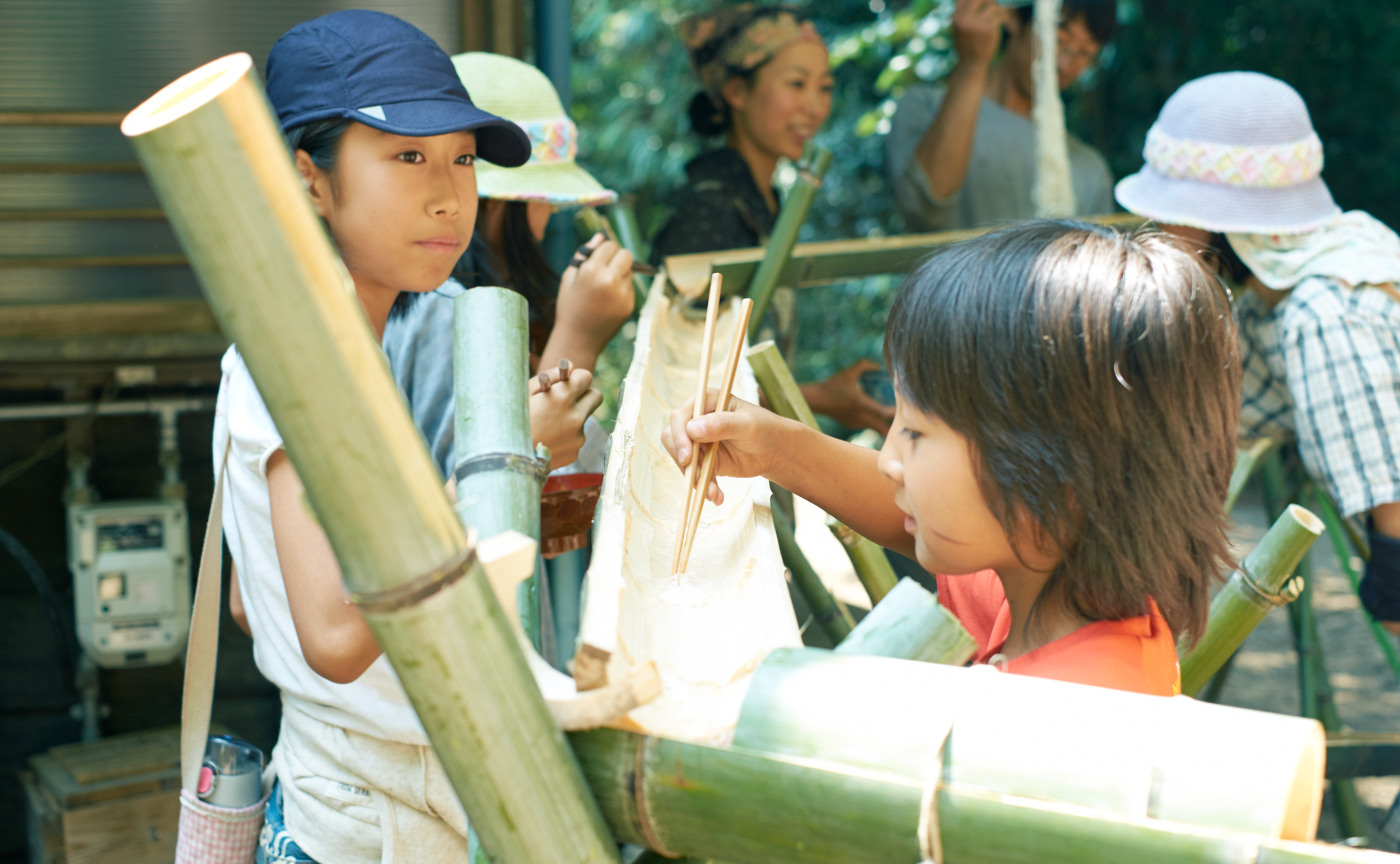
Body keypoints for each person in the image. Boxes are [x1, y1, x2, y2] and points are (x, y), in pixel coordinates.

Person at [215, 13, 598, 863]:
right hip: (365, 811)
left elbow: (253, 600)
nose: (448, 194)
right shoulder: (303, 362)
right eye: (406, 157)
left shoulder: (358, 340)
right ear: (311, 180)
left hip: (391, 788)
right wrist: (504, 463)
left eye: (462, 159)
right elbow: (337, 639)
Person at [664, 220, 1241, 694]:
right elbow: (913, 511)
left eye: (914, 432)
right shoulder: (1043, 575)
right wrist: (778, 447)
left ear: (1048, 475)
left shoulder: (1063, 713)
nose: (889, 459)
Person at [1114, 72, 1400, 641]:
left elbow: (1396, 519)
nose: (1160, 230)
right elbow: (1213, 411)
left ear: (1223, 225)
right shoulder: (1289, 289)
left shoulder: (1324, 313)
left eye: (1172, 215)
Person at [382, 51, 635, 480]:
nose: (550, 216)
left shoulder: (430, 302)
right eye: (544, 200)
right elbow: (532, 503)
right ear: (499, 203)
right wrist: (578, 336)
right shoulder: (447, 312)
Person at [652, 4, 895, 435]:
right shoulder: (708, 210)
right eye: (797, 84)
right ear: (737, 92)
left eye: (824, 87)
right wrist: (821, 396)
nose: (816, 106)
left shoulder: (767, 201)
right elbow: (681, 390)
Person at [887, 0, 1117, 232]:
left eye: (1085, 53)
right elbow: (924, 207)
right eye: (1059, 41)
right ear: (1014, 19)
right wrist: (972, 65)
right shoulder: (925, 107)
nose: (1065, 64)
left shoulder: (1091, 170)